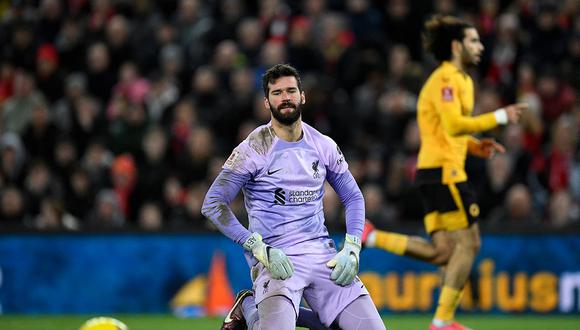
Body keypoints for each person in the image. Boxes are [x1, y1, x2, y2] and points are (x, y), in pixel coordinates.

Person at [362, 15, 526, 330]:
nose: (480, 46)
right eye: (473, 41)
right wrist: (500, 116)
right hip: (444, 173)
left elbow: (446, 130)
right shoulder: (447, 78)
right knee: (470, 243)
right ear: (455, 45)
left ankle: (373, 237)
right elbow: (452, 123)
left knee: (441, 252)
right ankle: (442, 321)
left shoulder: (460, 79)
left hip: (432, 172)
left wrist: (473, 145)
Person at [202, 63, 385, 330]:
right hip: (277, 260)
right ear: (267, 102)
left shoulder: (322, 145)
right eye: (277, 93)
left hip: (323, 256)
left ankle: (251, 304)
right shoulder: (254, 148)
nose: (285, 97)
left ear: (302, 96)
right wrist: (257, 247)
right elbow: (213, 204)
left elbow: (354, 197)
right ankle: (251, 308)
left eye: (290, 90)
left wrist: (353, 248)